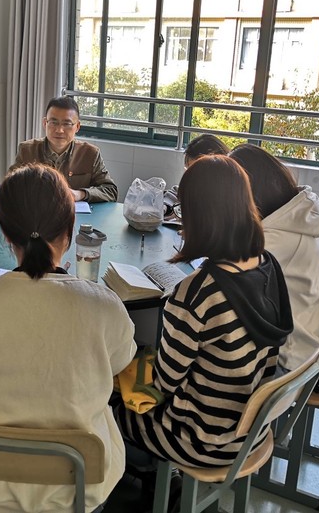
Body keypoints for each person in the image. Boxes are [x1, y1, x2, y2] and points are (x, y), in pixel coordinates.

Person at [0, 164, 136, 513]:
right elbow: (119, 362)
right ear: (69, 231)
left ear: (5, 233)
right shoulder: (103, 304)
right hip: (79, 487)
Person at [115, 155, 293, 469]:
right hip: (249, 432)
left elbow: (165, 383)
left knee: (107, 403)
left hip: (199, 440)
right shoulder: (268, 264)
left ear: (199, 216)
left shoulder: (196, 293)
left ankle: (151, 483)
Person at [229, 143, 319, 371]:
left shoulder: (274, 240)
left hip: (289, 360)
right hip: (308, 341)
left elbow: (227, 281)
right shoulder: (296, 215)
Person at [8, 96, 118, 202]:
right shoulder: (27, 150)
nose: (59, 130)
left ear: (77, 127)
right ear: (45, 123)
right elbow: (10, 186)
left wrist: (80, 194)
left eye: (67, 124)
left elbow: (111, 190)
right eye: (54, 122)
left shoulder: (90, 154)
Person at [165, 133, 231, 221]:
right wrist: (166, 207)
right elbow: (176, 192)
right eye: (188, 169)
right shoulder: (194, 186)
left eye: (196, 171)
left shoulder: (229, 194)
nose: (191, 176)